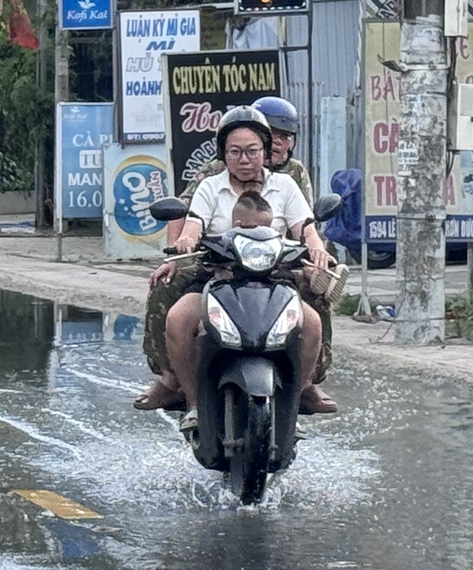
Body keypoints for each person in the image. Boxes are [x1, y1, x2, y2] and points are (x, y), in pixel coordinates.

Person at [140, 107, 333, 416]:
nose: (244, 160)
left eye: (252, 151)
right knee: (177, 319)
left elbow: (306, 228)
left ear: (265, 151)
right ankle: (191, 400)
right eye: (235, 152)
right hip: (217, 278)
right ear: (223, 154)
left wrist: (317, 249)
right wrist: (186, 241)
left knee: (312, 324)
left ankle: (299, 394)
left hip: (276, 280)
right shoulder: (210, 186)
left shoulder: (285, 185)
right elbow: (192, 224)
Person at [252, 93, 335, 397]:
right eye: (272, 134)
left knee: (321, 286)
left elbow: (306, 223)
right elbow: (188, 213)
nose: (278, 142)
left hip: (284, 259)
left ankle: (309, 380)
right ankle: (172, 378)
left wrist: (317, 253)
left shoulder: (294, 174)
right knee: (171, 284)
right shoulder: (223, 167)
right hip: (227, 256)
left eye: (285, 136)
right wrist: (175, 253)